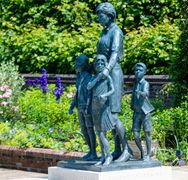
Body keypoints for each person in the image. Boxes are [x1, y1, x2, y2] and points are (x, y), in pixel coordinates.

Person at [96, 2, 131, 162]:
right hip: (104, 75)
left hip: (113, 74)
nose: (98, 18)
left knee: (113, 115)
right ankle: (117, 149)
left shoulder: (116, 32)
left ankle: (126, 150)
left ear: (109, 16)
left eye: (100, 15)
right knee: (107, 115)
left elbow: (115, 54)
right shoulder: (105, 31)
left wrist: (106, 70)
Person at [87, 54, 115, 166]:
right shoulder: (95, 78)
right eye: (97, 63)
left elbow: (113, 90)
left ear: (105, 64)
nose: (99, 65)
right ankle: (103, 156)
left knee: (102, 134)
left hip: (103, 108)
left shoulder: (107, 77)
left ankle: (109, 156)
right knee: (98, 133)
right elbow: (89, 87)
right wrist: (98, 77)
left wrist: (105, 95)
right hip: (95, 107)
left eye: (102, 63)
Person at [68, 55, 97, 161]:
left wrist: (88, 108)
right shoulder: (79, 77)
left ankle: (94, 152)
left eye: (78, 64)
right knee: (84, 130)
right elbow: (78, 93)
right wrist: (72, 106)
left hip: (86, 107)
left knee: (90, 129)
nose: (76, 66)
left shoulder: (89, 77)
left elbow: (90, 94)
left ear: (83, 65)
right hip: (79, 107)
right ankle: (90, 151)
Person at [131, 62, 155, 161]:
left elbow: (145, 93)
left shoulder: (145, 83)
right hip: (136, 112)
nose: (137, 72)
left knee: (147, 133)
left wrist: (141, 93)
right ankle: (142, 152)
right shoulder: (135, 83)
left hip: (145, 112)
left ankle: (148, 154)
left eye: (140, 70)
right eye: (136, 70)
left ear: (144, 72)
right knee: (135, 134)